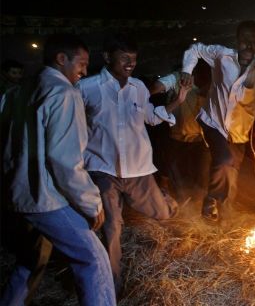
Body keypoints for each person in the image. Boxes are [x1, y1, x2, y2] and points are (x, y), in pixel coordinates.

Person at [0, 34, 115, 305]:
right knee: (93, 261)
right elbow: (64, 160)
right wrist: (91, 203)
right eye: (82, 63)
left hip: (18, 194)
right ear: (61, 59)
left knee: (31, 260)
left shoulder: (18, 90)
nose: (85, 71)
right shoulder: (63, 92)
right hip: (46, 198)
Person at [78, 34, 189, 296]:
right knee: (111, 226)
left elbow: (151, 118)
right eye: (124, 57)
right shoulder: (87, 88)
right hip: (103, 169)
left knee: (161, 213)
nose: (130, 63)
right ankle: (111, 285)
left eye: (134, 58)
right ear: (107, 57)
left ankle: (163, 198)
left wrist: (179, 101)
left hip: (138, 169)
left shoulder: (138, 87)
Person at [179, 20, 255, 221]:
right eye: (245, 40)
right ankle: (211, 200)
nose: (249, 45)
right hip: (213, 122)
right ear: (237, 40)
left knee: (231, 175)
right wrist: (186, 70)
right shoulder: (221, 54)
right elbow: (195, 49)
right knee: (225, 161)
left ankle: (222, 218)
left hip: (239, 131)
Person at [149, 61, 211, 202]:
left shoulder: (210, 85)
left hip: (199, 138)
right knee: (170, 166)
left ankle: (199, 202)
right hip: (177, 135)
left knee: (202, 173)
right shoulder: (179, 79)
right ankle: (169, 192)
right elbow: (155, 88)